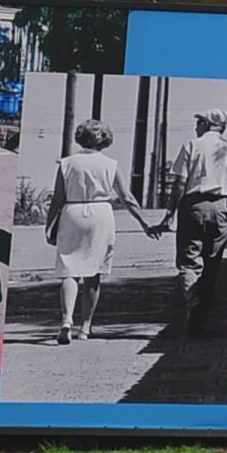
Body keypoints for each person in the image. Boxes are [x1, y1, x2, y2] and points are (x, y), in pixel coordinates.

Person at [45, 119, 147, 343]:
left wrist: (49, 226)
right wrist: (144, 223)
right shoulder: (110, 164)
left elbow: (57, 199)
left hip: (72, 211)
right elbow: (127, 198)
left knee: (69, 269)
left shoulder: (67, 163)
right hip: (101, 214)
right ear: (105, 140)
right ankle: (85, 327)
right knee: (93, 273)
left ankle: (66, 319)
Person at [166, 109, 227, 318]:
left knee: (188, 263)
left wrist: (170, 213)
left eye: (199, 121)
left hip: (192, 206)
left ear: (206, 124)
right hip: (220, 207)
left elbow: (180, 183)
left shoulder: (191, 146)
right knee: (212, 264)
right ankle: (200, 317)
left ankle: (192, 301)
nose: (196, 126)